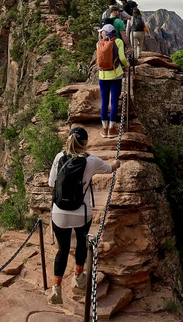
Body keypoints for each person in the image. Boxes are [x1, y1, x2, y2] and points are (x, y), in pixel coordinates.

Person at [47, 127, 121, 305]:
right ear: (86, 143)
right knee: (81, 243)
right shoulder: (92, 161)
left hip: (59, 212)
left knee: (62, 250)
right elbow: (110, 168)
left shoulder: (59, 157)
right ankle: (79, 278)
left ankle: (56, 289)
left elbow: (51, 184)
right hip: (82, 211)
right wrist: (117, 163)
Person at [97, 25, 129, 138]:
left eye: (102, 31)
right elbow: (122, 58)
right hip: (116, 75)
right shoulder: (118, 41)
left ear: (105, 32)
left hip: (102, 75)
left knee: (104, 101)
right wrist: (127, 65)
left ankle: (104, 128)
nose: (101, 33)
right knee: (114, 101)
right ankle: (112, 129)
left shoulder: (99, 43)